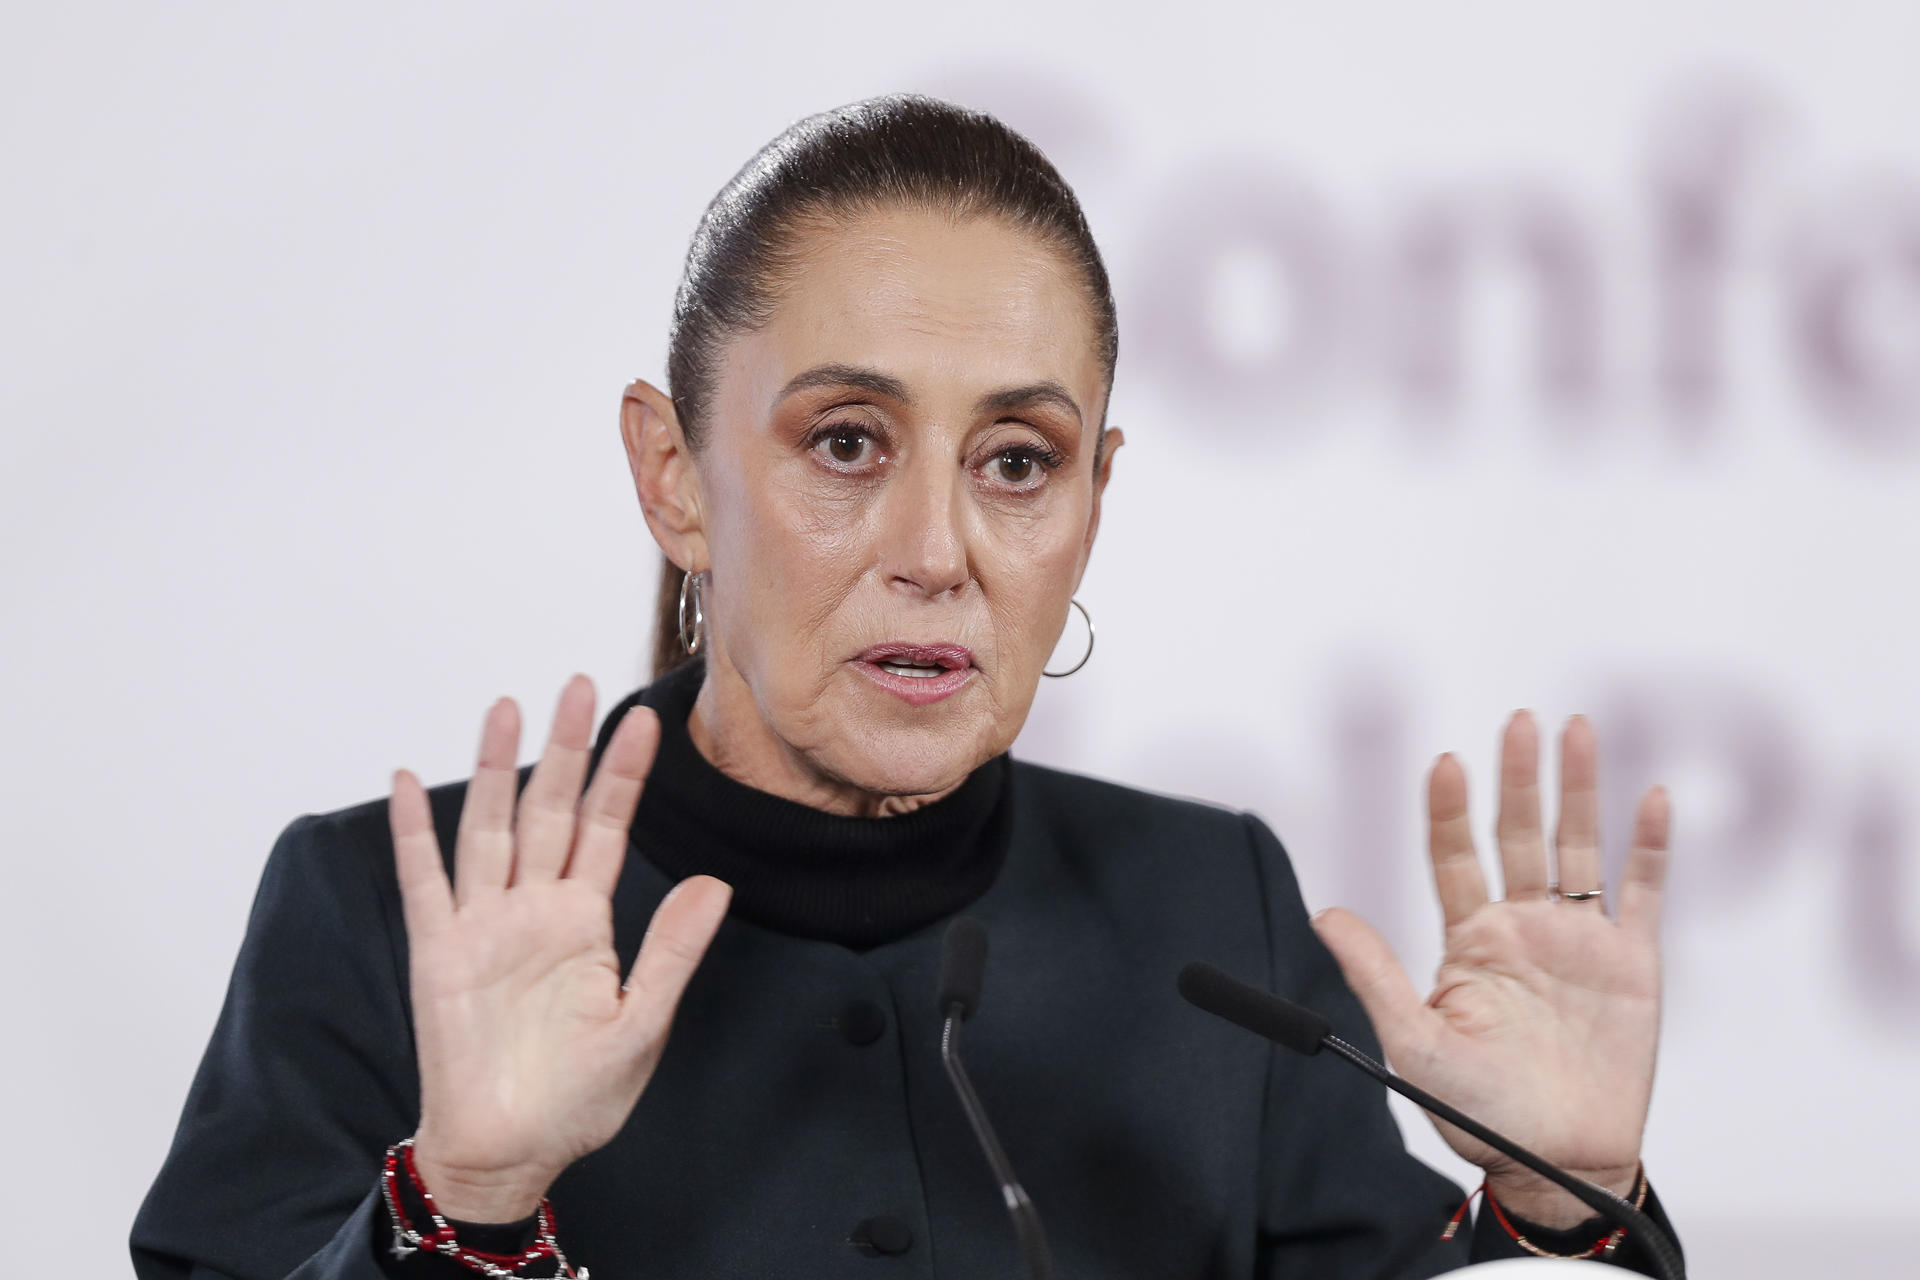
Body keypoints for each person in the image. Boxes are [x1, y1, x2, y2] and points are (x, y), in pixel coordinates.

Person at [132, 94, 1682, 1279]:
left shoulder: (1214, 910)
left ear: (1094, 501)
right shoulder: (381, 916)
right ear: (673, 476)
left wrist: (1557, 1211)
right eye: (847, 443)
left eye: (1017, 462)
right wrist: (463, 1204)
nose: (937, 552)